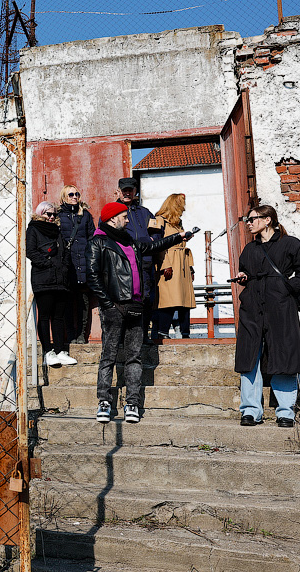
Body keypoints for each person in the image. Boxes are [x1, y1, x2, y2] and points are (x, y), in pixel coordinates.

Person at [87, 201, 194, 423]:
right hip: (114, 307)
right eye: (124, 217)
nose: (128, 220)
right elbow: (93, 276)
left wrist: (179, 237)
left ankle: (132, 403)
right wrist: (107, 304)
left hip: (136, 306)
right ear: (112, 218)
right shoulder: (99, 241)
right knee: (109, 356)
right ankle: (104, 402)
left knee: (134, 357)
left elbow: (152, 247)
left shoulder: (131, 242)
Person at [231, 205, 300, 428]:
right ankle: (250, 411)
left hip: (281, 307)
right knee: (249, 356)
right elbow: (247, 272)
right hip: (252, 307)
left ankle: (286, 412)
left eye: (252, 219)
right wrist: (244, 277)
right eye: (247, 220)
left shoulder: (290, 244)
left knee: (284, 354)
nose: (248, 223)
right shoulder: (249, 249)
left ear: (267, 220)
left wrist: (285, 288)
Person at [27, 201, 78, 368]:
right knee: (44, 315)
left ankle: (60, 351)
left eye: (53, 215)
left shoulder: (57, 231)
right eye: (48, 214)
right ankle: (48, 352)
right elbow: (31, 251)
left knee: (58, 316)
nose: (51, 217)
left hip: (60, 279)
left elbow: (64, 251)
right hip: (43, 279)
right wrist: (47, 264)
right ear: (40, 214)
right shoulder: (33, 229)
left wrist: (63, 268)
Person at [114, 177, 161, 342]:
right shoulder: (112, 211)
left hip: (145, 261)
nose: (127, 193)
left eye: (130, 190)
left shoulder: (144, 212)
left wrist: (153, 239)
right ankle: (123, 336)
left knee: (146, 299)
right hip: (123, 263)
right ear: (118, 191)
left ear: (135, 192)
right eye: (124, 190)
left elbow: (157, 229)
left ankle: (142, 334)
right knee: (124, 299)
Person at [152, 194, 195, 339]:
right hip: (169, 262)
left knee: (185, 300)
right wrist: (165, 265)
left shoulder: (178, 223)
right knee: (168, 299)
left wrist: (190, 268)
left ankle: (185, 333)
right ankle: (162, 332)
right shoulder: (160, 221)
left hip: (182, 264)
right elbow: (157, 246)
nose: (183, 208)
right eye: (180, 205)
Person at [58, 185, 96, 344]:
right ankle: (71, 335)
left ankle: (81, 336)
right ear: (64, 197)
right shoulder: (59, 216)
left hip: (84, 265)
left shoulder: (85, 215)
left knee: (83, 303)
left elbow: (92, 239)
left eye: (77, 194)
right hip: (68, 266)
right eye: (71, 194)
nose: (75, 197)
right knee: (67, 303)